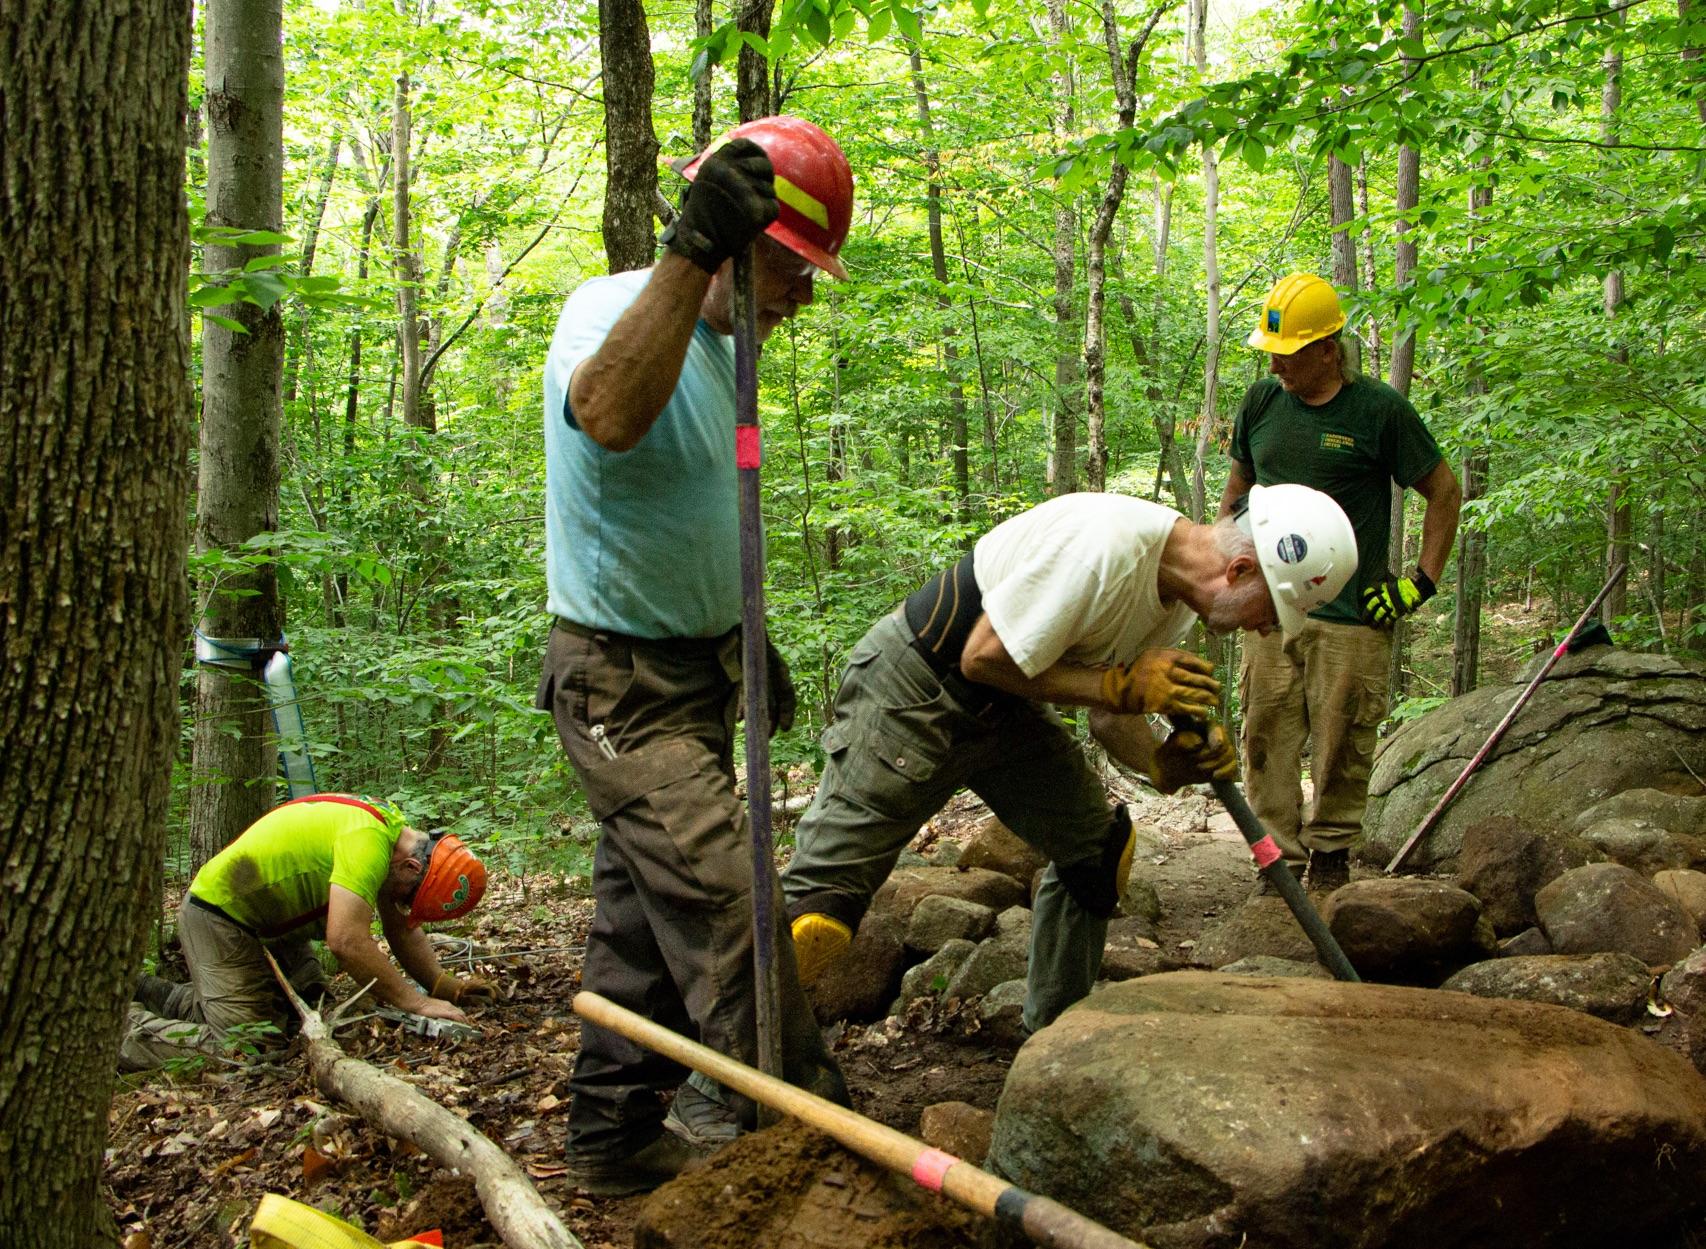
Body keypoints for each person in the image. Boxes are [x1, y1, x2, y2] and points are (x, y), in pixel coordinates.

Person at [535, 115, 856, 1197]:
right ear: (730, 236)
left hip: (696, 673)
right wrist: (687, 248)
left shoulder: (725, 350)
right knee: (731, 908)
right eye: (790, 267)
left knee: (641, 923)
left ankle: (611, 1137)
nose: (801, 299)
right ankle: (827, 1156)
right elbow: (607, 414)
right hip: (618, 682)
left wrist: (743, 629)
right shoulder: (613, 310)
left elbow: (695, 503)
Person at [781, 484, 1357, 1033]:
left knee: (1097, 855)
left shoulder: (1174, 600)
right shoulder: (1103, 551)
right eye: (1273, 611)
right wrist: (1122, 684)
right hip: (914, 689)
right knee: (815, 917)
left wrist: (1161, 765)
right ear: (1240, 571)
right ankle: (716, 1078)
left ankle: (1052, 1039)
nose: (1265, 627)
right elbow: (982, 657)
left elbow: (1107, 714)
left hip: (1006, 707)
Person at [1219, 272, 1463, 893]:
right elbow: (1236, 496)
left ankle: (1330, 857)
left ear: (1328, 349)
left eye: (1288, 353)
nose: (1275, 365)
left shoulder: (1379, 411)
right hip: (1267, 607)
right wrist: (1219, 571)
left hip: (1353, 611)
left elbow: (1443, 490)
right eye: (1270, 352)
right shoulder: (1261, 404)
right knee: (1265, 731)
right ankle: (1277, 860)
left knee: (1341, 740)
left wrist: (1420, 583)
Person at [121, 793, 490, 1071]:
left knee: (307, 1010)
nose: (404, 906)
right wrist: (416, 1002)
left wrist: (444, 988)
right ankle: (114, 1031)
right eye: (411, 898)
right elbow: (346, 940)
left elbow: (402, 930)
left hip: (274, 919)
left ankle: (152, 992)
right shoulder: (368, 843)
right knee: (247, 1047)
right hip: (220, 916)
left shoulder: (392, 836)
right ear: (412, 866)